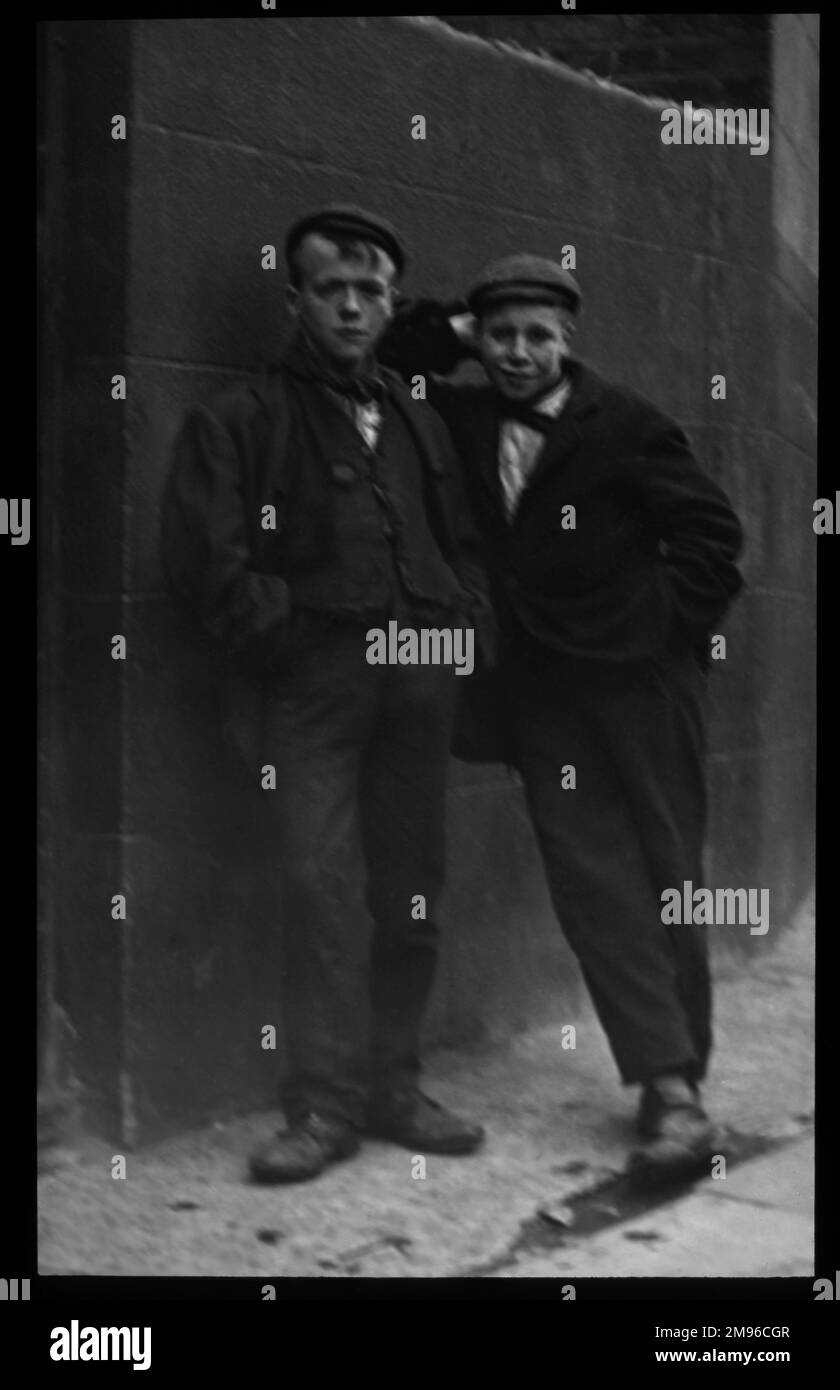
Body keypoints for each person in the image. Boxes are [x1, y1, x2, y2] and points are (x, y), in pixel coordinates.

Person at [379, 254, 745, 1181]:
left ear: (568, 339)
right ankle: (665, 1086)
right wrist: (455, 325)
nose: (516, 352)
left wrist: (651, 627)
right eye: (500, 334)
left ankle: (681, 1087)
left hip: (642, 688)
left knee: (666, 869)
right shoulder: (458, 414)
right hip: (541, 696)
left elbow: (713, 539)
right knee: (591, 883)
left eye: (537, 334)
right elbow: (390, 356)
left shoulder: (625, 423)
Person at [161, 205, 493, 1183]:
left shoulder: (420, 417)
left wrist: (459, 625)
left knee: (412, 892)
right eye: (330, 289)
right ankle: (325, 1104)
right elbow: (204, 560)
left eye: (370, 291)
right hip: (316, 684)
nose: (352, 306)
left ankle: (395, 1087)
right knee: (320, 889)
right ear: (296, 299)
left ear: (392, 304)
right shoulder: (243, 418)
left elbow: (462, 541)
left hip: (418, 675)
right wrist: (294, 637)